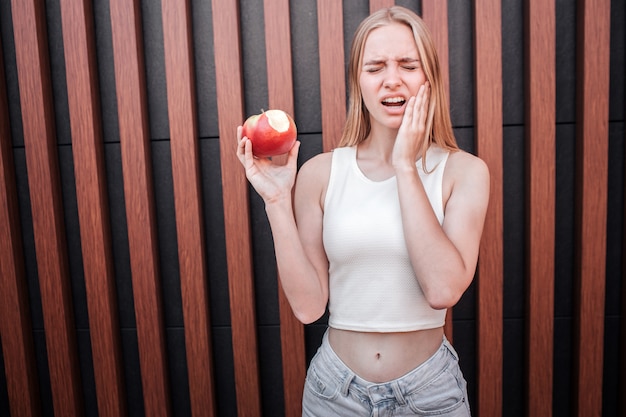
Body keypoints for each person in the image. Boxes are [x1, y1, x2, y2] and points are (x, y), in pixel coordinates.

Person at [237, 6, 489, 416]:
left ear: (430, 77)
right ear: (358, 82)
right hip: (334, 395)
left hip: (429, 396)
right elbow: (308, 307)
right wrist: (278, 202)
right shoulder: (321, 173)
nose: (393, 79)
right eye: (375, 68)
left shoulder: (465, 172)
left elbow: (443, 290)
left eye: (408, 64)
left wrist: (405, 166)